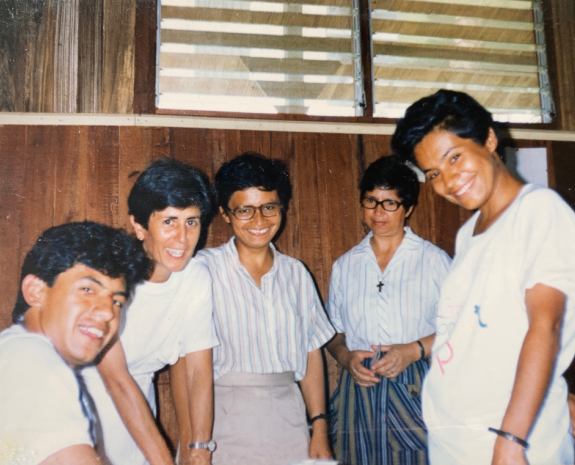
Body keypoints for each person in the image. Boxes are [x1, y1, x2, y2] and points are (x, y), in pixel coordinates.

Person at [391, 89, 575, 464]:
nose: (448, 181)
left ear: (490, 139)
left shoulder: (539, 211)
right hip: (457, 438)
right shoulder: (469, 234)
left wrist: (511, 439)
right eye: (434, 173)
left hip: (505, 441)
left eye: (455, 157)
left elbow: (546, 326)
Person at [172, 152, 335, 465]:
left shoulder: (296, 273)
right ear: (225, 214)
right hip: (221, 421)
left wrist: (319, 429)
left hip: (289, 418)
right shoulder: (202, 270)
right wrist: (194, 444)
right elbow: (184, 368)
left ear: (281, 207)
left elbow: (312, 354)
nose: (259, 221)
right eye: (245, 210)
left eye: (269, 207)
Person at [81, 159, 219, 465]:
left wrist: (198, 448)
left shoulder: (196, 276)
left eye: (192, 221)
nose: (182, 238)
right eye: (169, 221)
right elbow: (115, 379)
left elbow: (198, 369)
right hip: (81, 403)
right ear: (140, 226)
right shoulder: (109, 274)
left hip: (139, 406)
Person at [326, 155, 452, 465]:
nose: (379, 212)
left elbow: (462, 327)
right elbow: (332, 332)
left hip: (415, 384)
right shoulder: (345, 265)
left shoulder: (433, 260)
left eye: (390, 203)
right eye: (371, 201)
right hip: (359, 387)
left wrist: (412, 350)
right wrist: (345, 357)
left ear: (408, 208)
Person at [0, 221, 148, 465]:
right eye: (88, 289)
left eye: (117, 301)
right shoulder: (34, 361)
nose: (107, 313)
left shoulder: (13, 351)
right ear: (36, 291)